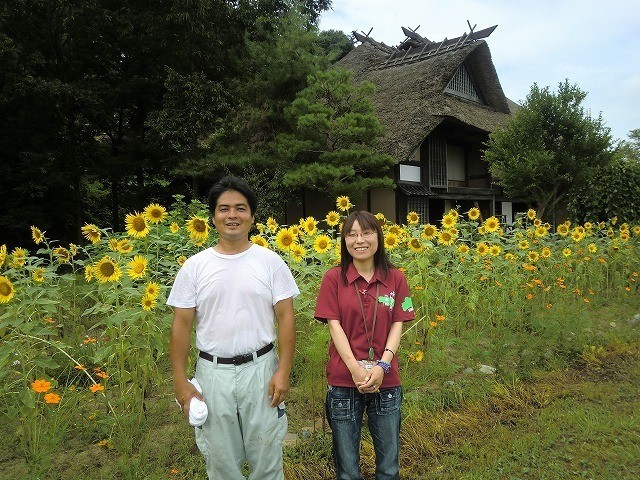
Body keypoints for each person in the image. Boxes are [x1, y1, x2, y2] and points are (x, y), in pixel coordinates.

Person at [168, 176, 299, 480]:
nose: (232, 216)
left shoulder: (270, 262)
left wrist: (284, 370)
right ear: (213, 217)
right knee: (221, 461)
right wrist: (179, 381)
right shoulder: (195, 267)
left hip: (262, 370)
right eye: (224, 208)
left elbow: (286, 318)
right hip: (213, 375)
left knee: (267, 455)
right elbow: (181, 326)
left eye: (241, 208)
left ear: (253, 217)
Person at [314, 211, 414, 480]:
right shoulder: (333, 278)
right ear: (344, 241)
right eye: (351, 234)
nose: (359, 240)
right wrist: (355, 369)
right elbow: (334, 325)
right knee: (347, 469)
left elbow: (398, 324)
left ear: (378, 237)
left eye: (366, 232)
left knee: (389, 467)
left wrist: (383, 364)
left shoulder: (396, 279)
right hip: (344, 382)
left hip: (386, 381)